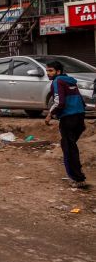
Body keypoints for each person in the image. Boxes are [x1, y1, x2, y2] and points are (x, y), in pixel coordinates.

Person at [45, 60, 87, 189]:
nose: (48, 73)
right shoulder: (70, 80)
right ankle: (78, 175)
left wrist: (49, 114)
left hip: (68, 118)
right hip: (79, 117)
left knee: (68, 148)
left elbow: (59, 102)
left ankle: (76, 178)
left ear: (58, 72)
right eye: (47, 71)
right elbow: (81, 99)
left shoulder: (57, 81)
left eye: (50, 71)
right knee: (72, 147)